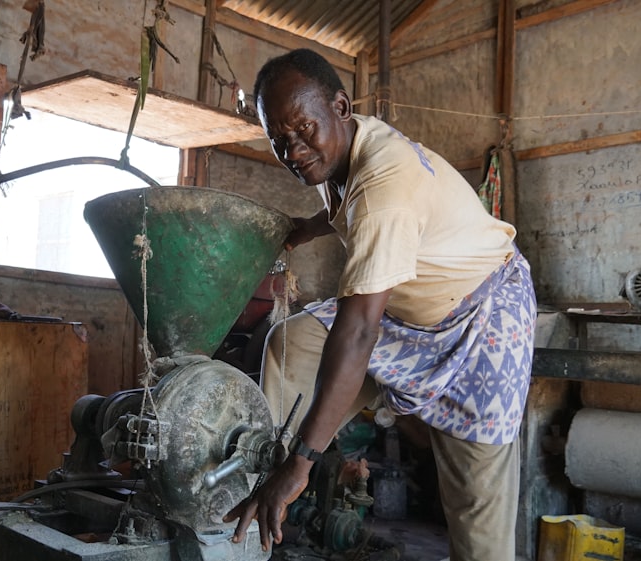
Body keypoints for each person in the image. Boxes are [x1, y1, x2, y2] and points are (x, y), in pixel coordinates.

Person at [224, 48, 536, 561]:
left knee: (477, 512)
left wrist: (304, 464)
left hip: (484, 323)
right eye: (279, 140)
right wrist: (307, 227)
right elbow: (352, 201)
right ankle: (257, 474)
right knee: (293, 341)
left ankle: (292, 469)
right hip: (415, 315)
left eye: (303, 130)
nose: (294, 151)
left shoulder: (383, 190)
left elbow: (359, 332)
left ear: (340, 107)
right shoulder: (345, 147)